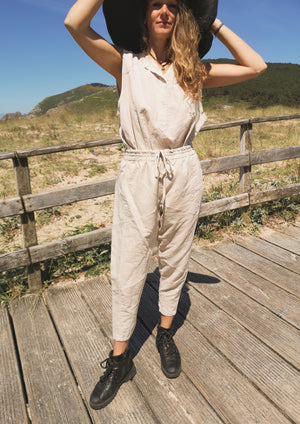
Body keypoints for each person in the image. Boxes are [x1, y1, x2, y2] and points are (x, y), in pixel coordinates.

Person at [64, 0, 267, 410]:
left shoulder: (194, 72)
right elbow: (75, 22)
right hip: (139, 168)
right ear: (144, 14)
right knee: (128, 261)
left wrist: (213, 22)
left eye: (173, 5)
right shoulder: (125, 64)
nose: (164, 10)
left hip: (182, 167)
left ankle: (165, 333)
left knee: (176, 255)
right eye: (155, 4)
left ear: (181, 17)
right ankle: (120, 358)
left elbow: (256, 66)